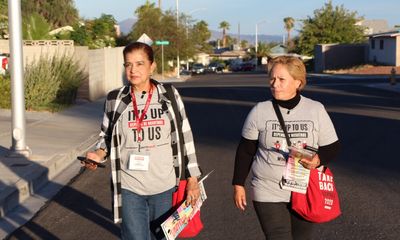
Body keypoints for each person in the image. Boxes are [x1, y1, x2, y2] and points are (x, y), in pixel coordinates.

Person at [83, 41, 202, 240]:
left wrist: (193, 179)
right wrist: (98, 154)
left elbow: (185, 137)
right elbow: (106, 136)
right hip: (130, 186)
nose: (133, 70)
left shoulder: (169, 95)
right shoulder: (116, 99)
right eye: (128, 64)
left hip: (164, 185)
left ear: (151, 66)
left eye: (139, 64)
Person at [232, 56, 340, 240]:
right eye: (272, 79)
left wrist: (317, 160)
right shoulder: (260, 111)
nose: (275, 84)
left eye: (281, 79)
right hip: (267, 188)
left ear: (298, 82)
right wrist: (238, 184)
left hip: (305, 189)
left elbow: (332, 146)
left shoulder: (315, 110)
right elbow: (246, 150)